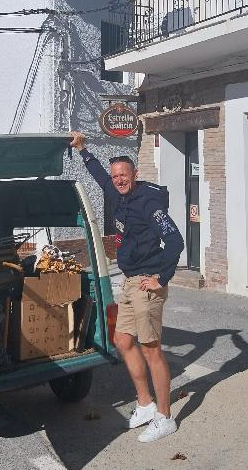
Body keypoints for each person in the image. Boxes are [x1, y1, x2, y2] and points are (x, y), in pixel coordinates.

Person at [69, 130, 184, 442]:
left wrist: (162, 277)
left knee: (152, 350)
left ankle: (165, 416)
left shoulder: (149, 203)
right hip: (130, 281)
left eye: (124, 175)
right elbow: (97, 177)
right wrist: (83, 150)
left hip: (147, 283)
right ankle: (145, 404)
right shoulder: (116, 193)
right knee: (122, 340)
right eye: (115, 175)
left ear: (135, 174)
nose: (118, 180)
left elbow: (175, 240)